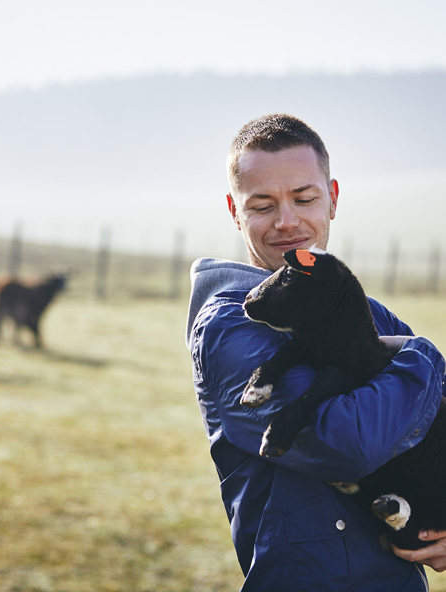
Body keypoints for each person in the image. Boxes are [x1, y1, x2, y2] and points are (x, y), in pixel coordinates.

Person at [186, 113, 446, 590]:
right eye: (262, 205)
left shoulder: (370, 315)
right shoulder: (227, 328)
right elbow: (345, 443)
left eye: (304, 198)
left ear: (332, 198)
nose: (288, 222)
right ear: (234, 210)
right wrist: (423, 354)